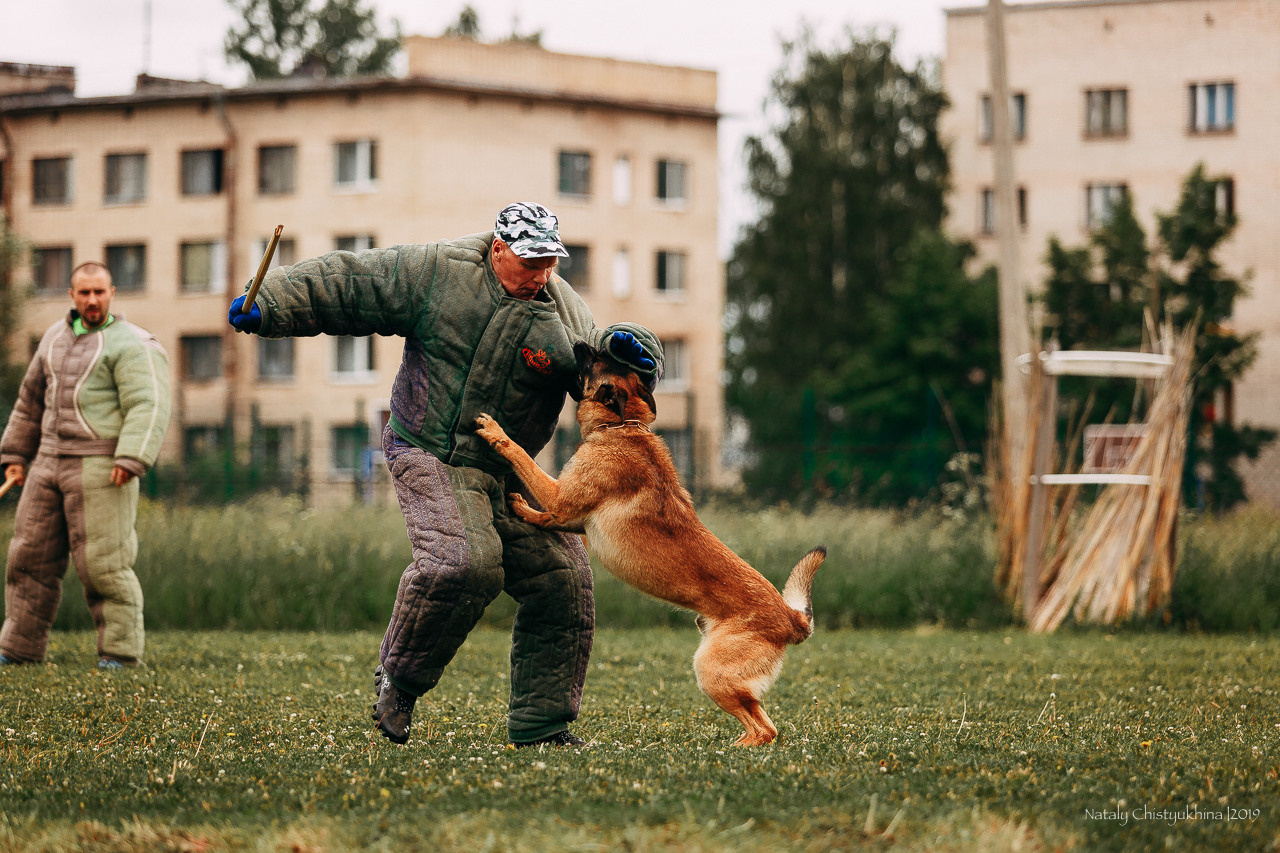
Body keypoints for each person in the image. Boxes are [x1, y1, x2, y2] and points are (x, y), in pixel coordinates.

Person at [227, 202, 663, 747]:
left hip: (504, 471)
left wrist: (638, 355)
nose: (541, 275)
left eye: (551, 262)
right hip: (428, 450)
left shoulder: (563, 312)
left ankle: (542, 724)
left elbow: (609, 383)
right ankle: (399, 682)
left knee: (565, 579)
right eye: (530, 262)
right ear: (498, 249)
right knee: (465, 562)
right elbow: (352, 283)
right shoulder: (437, 272)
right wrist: (268, 301)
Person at [0, 261, 172, 669]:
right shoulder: (52, 339)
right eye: (84, 292)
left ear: (112, 292)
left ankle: (119, 652)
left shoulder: (135, 343)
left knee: (104, 563)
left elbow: (148, 404)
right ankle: (18, 648)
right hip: (46, 464)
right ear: (72, 296)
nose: (92, 300)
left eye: (99, 292)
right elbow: (29, 403)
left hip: (102, 465)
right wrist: (14, 457)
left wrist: (132, 456)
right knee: (28, 558)